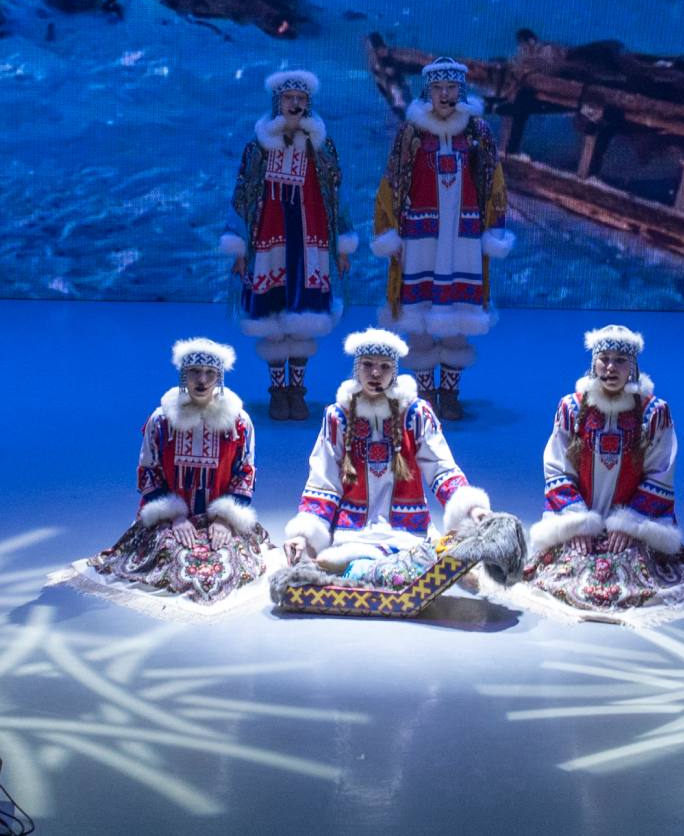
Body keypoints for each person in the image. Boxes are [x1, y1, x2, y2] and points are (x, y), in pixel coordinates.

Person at [521, 326, 684, 621]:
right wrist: (576, 524)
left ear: (633, 367)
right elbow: (557, 466)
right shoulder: (571, 408)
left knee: (635, 578)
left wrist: (629, 524)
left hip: (633, 525)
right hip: (584, 519)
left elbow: (660, 472)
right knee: (563, 575)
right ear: (593, 363)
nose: (610, 367)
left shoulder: (653, 413)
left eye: (620, 360)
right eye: (604, 359)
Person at [76, 339, 270, 612]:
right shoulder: (161, 420)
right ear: (183, 375)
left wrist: (225, 519)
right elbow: (149, 471)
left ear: (219, 377)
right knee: (171, 557)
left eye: (210, 373)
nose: (202, 380)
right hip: (171, 519)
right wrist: (174, 516)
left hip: (218, 520)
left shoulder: (238, 422)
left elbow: (245, 473)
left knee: (226, 562)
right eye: (194, 372)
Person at [371, 57, 513, 418]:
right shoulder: (412, 132)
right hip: (420, 232)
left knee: (460, 312)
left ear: (461, 91)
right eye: (438, 88)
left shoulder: (477, 132)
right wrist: (388, 229)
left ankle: (449, 393)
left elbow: (493, 181)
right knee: (416, 312)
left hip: (464, 233)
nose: (445, 95)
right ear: (428, 92)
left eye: (451, 88)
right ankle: (424, 391)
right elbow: (392, 181)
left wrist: (494, 226)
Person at [284, 329, 491, 572]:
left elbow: (441, 469)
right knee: (355, 568)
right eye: (368, 365)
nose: (375, 373)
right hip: (353, 533)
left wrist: (472, 507)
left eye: (384, 367)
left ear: (395, 371)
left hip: (407, 533)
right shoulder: (338, 417)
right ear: (356, 368)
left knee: (418, 563)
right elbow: (323, 482)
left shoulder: (415, 414)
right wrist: (305, 535)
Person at [222, 68, 356, 421]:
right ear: (277, 102)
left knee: (305, 317)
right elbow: (241, 196)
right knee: (271, 315)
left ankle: (297, 389)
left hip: (310, 241)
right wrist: (238, 248)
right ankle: (277, 390)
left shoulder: (321, 148)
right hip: (269, 241)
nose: (294, 104)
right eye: (288, 98)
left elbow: (337, 198)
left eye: (300, 99)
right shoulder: (258, 149)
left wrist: (342, 245)